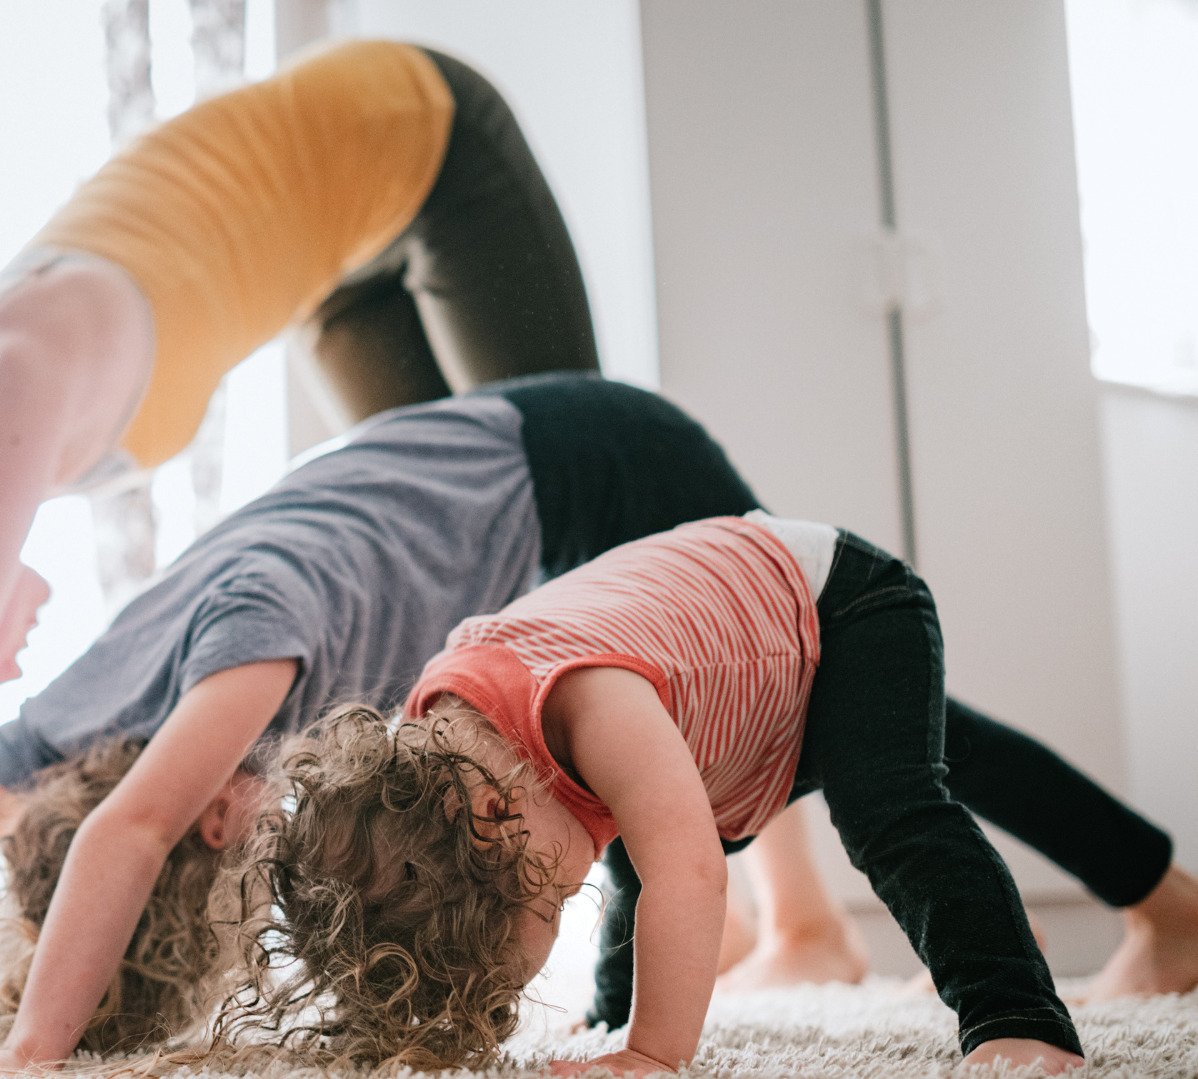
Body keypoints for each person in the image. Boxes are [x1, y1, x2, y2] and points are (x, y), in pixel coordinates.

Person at [224, 512, 1198, 1077]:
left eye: (552, 904)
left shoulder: (582, 700)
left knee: (891, 805)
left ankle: (1017, 1018)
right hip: (741, 682)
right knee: (634, 847)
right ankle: (1178, 913)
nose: (573, 896)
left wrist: (651, 1052)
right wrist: (608, 1019)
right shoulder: (456, 741)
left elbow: (684, 870)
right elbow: (622, 860)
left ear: (491, 814)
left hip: (839, 606)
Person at [0, 37, 597, 682]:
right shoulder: (34, 431)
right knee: (449, 561)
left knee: (576, 509)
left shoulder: (23, 367)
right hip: (330, 273)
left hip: (409, 129)